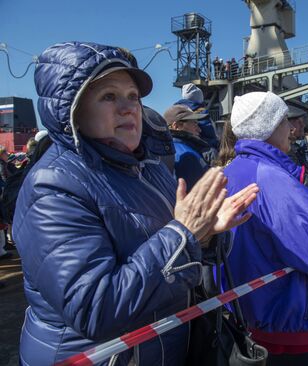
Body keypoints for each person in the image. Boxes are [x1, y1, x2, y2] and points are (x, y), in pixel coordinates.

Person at [13, 41, 258, 366]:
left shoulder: (150, 170)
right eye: (109, 96)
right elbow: (95, 308)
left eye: (133, 97)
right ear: (72, 110)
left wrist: (207, 231)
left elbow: (184, 248)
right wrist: (184, 234)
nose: (129, 108)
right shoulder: (53, 186)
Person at [223, 91, 308, 366]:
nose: (290, 130)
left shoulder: (229, 172)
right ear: (269, 127)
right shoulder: (273, 180)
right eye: (283, 122)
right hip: (290, 326)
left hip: (247, 318)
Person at [164, 104, 211, 191]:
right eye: (194, 123)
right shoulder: (187, 156)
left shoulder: (168, 150)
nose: (199, 129)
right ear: (177, 126)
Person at [175, 83, 219, 156]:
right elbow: (209, 130)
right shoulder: (202, 112)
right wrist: (215, 144)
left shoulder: (175, 110)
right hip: (203, 146)